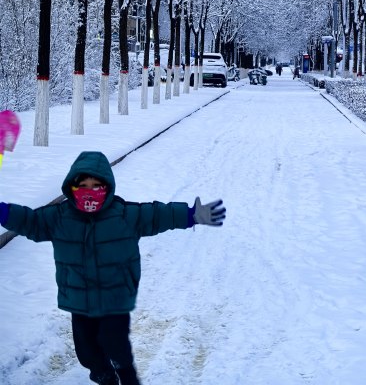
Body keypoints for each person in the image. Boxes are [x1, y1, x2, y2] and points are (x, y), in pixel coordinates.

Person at [0, 150, 226, 385]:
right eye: (83, 185)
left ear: (107, 187)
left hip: (114, 297)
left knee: (114, 343)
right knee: (86, 351)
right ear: (71, 187)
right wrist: (3, 212)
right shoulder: (58, 217)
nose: (90, 191)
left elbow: (159, 215)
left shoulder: (125, 215)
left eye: (96, 185)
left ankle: (127, 376)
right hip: (78, 300)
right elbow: (29, 220)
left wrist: (191, 214)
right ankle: (104, 377)